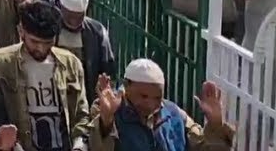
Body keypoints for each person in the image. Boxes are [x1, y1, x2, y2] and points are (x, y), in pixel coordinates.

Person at [0, 0, 91, 151]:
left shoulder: (71, 64)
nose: (41, 48)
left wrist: (79, 146)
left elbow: (81, 115)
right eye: (34, 42)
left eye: (48, 42)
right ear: (21, 31)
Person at [88, 59, 233, 150]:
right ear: (126, 86)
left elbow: (203, 146)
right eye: (143, 96)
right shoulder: (107, 110)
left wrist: (215, 124)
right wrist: (106, 121)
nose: (150, 104)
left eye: (157, 98)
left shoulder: (175, 114)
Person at [55, 0, 117, 103]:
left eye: (79, 17)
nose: (73, 22)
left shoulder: (97, 31)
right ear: (60, 7)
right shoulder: (50, 26)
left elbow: (108, 67)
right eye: (69, 17)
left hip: (85, 95)